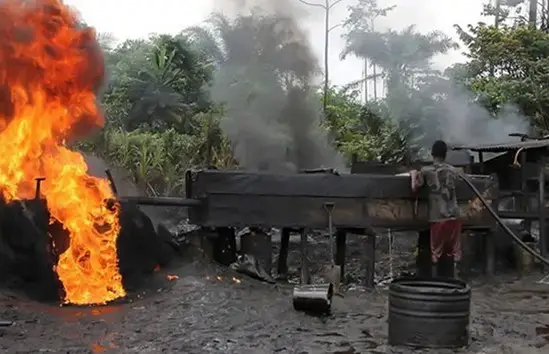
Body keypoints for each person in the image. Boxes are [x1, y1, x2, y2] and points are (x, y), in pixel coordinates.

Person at [411, 140, 462, 278]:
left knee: (436, 253)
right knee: (452, 251)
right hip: (454, 217)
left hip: (438, 217)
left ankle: (435, 282)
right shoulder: (454, 171)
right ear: (445, 155)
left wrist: (413, 174)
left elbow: (415, 187)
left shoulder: (426, 171)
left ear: (432, 154)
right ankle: (454, 279)